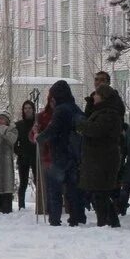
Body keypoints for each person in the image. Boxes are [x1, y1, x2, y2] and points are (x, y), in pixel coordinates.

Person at [78, 84, 124, 227]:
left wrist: (81, 125)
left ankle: (104, 222)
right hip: (98, 158)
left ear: (103, 96)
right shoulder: (101, 111)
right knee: (99, 192)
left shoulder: (109, 114)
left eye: (96, 94)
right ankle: (110, 221)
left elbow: (95, 130)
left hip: (103, 159)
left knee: (101, 193)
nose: (93, 96)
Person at [41, 80, 86, 226]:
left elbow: (53, 130)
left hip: (60, 154)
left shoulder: (60, 110)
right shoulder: (76, 108)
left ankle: (55, 219)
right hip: (74, 154)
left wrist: (39, 137)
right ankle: (77, 218)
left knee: (55, 189)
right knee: (73, 189)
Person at [14, 100, 37, 211]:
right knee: (23, 182)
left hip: (36, 156)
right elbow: (15, 143)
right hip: (23, 157)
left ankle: (41, 204)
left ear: (33, 109)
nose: (27, 110)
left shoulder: (37, 124)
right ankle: (21, 206)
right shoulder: (19, 125)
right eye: (25, 108)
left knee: (38, 181)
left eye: (29, 108)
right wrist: (19, 152)